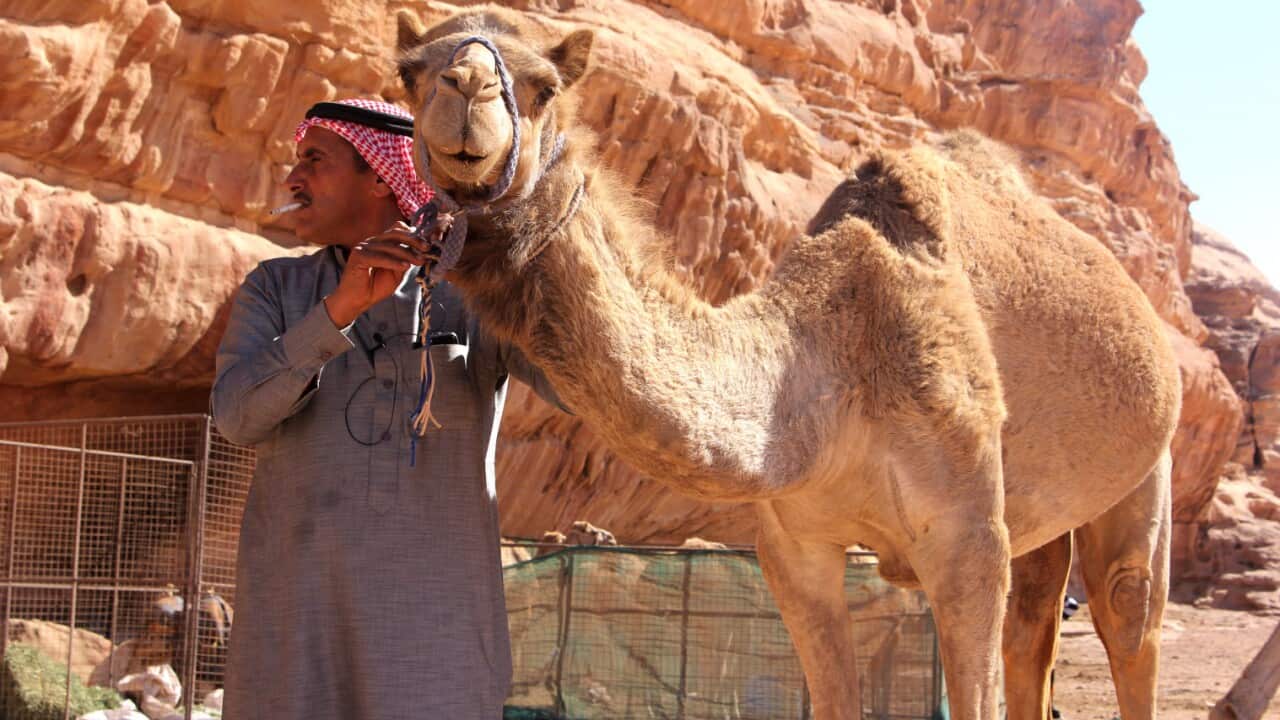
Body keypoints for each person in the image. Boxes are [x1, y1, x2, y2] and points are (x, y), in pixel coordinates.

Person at [211, 98, 561, 719]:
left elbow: (574, 384)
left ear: (380, 174)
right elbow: (238, 418)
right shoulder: (275, 289)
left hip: (435, 644)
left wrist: (525, 275)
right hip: (296, 633)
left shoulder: (474, 298)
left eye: (314, 160)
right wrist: (336, 313)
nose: (292, 180)